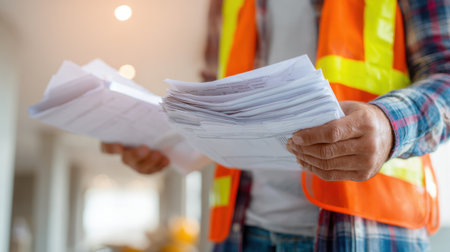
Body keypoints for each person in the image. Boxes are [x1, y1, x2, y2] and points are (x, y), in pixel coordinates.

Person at [102, 0, 449, 251]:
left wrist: (389, 125)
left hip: (367, 231)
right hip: (243, 231)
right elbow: (218, 99)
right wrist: (161, 143)